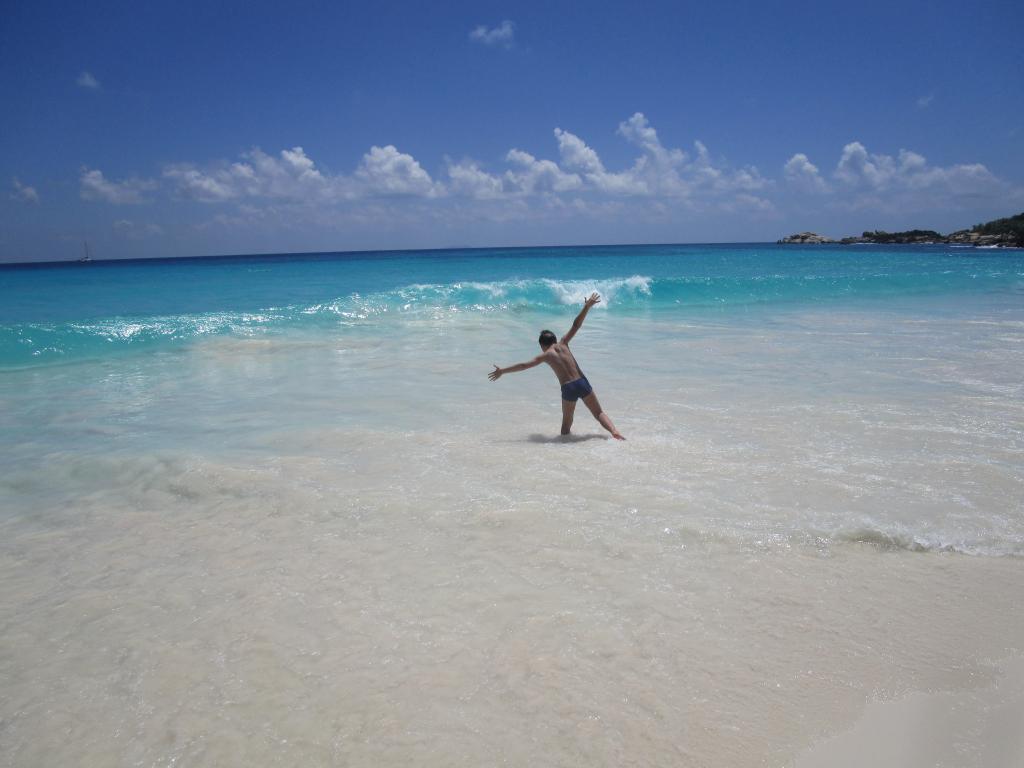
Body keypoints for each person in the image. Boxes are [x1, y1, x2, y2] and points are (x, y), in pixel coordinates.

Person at [488, 292, 625, 440]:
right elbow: (576, 325)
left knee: (566, 424)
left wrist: (503, 371)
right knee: (598, 413)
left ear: (542, 345)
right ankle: (614, 431)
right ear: (554, 339)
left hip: (568, 388)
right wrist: (587, 307)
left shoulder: (546, 355)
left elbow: (524, 365)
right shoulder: (564, 342)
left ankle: (564, 448)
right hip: (582, 382)